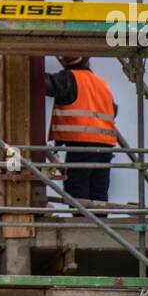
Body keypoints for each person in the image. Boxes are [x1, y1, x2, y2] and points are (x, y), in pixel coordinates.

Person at [45, 54, 117, 204]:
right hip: (105, 146)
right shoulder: (101, 84)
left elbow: (42, 82)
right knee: (98, 191)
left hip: (82, 144)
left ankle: (82, 221)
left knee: (77, 191)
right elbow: (113, 110)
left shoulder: (69, 78)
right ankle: (99, 223)